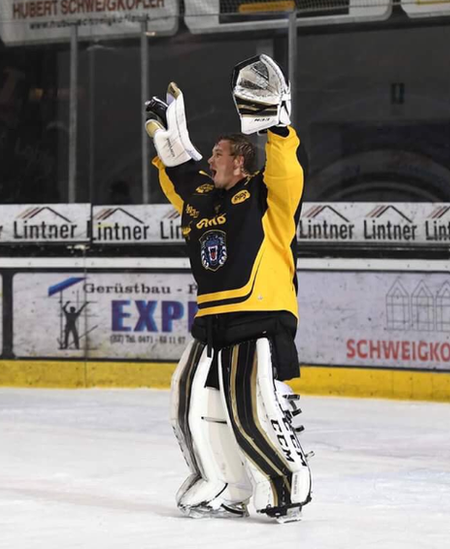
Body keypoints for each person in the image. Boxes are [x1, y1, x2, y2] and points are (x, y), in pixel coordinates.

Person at [146, 54, 311, 523]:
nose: (209, 160)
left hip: (259, 313)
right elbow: (182, 173)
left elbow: (287, 168)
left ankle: (286, 483)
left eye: (217, 154)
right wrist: (168, 144)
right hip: (213, 317)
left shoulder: (266, 194)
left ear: (241, 160)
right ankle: (224, 484)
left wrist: (275, 124)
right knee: (187, 400)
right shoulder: (203, 198)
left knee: (247, 409)